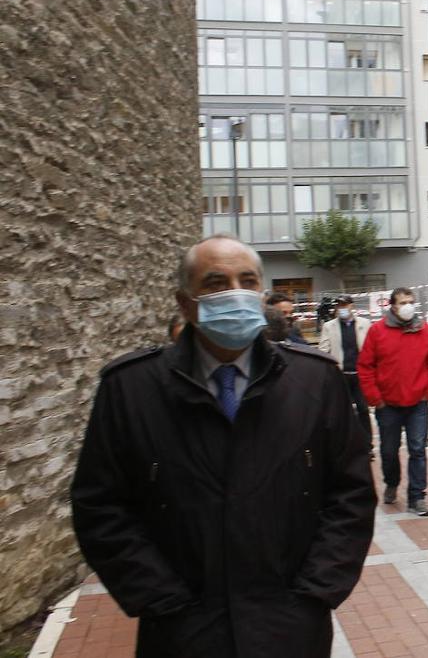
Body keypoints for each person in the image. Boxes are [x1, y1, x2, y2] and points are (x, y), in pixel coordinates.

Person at [71, 234, 375, 657]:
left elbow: (351, 495)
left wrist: (315, 594)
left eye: (247, 281)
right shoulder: (131, 389)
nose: (235, 293)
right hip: (183, 631)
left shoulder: (314, 382)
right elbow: (100, 508)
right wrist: (161, 601)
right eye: (215, 283)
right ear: (185, 303)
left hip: (289, 627)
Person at [357, 287, 428, 515]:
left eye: (411, 301)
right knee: (389, 451)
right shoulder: (377, 332)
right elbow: (365, 367)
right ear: (392, 305)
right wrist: (376, 398)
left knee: (418, 450)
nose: (408, 306)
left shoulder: (426, 332)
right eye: (403, 302)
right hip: (388, 405)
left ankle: (417, 497)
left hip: (418, 403)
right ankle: (392, 482)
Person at [318, 295, 374, 449]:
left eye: (345, 305)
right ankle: (347, 444)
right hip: (341, 375)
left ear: (352, 306)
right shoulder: (329, 326)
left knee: (363, 409)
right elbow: (323, 349)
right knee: (344, 411)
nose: (343, 308)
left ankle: (367, 444)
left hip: (360, 374)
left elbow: (371, 348)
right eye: (340, 305)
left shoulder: (364, 324)